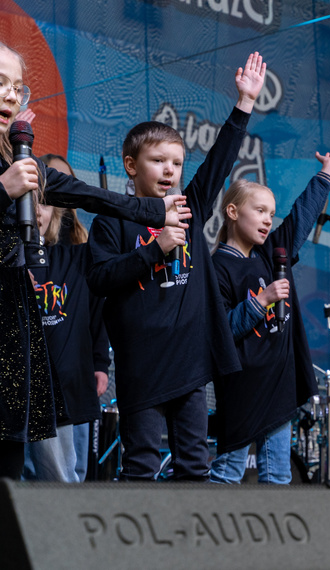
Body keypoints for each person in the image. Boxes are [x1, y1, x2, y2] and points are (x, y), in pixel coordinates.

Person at [0, 42, 189, 480]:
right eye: (1, 85)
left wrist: (153, 211)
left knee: (10, 470)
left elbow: (90, 195)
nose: (11, 96)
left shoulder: (17, 159)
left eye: (18, 88)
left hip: (14, 337)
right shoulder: (10, 174)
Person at [87, 52, 266, 482]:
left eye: (176, 162)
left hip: (190, 366)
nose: (169, 170)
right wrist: (154, 249)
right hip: (142, 366)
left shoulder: (189, 206)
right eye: (157, 161)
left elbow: (219, 162)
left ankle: (188, 550)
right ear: (131, 167)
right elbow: (99, 278)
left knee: (193, 468)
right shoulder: (112, 219)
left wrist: (244, 104)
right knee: (142, 466)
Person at [209, 151, 330, 484]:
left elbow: (301, 216)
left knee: (278, 476)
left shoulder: (271, 255)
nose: (268, 220)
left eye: (271, 213)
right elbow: (221, 330)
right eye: (260, 211)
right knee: (227, 472)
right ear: (233, 212)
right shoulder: (217, 268)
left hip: (278, 384)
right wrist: (261, 301)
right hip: (242, 386)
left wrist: (327, 172)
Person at [23, 178, 109, 482]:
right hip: (18, 392)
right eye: (24, 201)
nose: (34, 211)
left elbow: (96, 313)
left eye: (43, 203)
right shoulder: (8, 263)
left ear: (56, 213)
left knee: (60, 478)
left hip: (61, 391)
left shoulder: (74, 258)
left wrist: (100, 363)